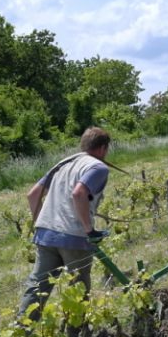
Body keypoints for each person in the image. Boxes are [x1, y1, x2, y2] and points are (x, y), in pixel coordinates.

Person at [18, 127, 111, 322]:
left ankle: (21, 331)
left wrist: (43, 224)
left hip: (45, 234)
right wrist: (89, 230)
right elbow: (78, 193)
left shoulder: (63, 163)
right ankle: (76, 332)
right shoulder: (98, 167)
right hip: (74, 236)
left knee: (37, 286)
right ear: (102, 148)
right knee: (78, 286)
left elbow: (33, 195)